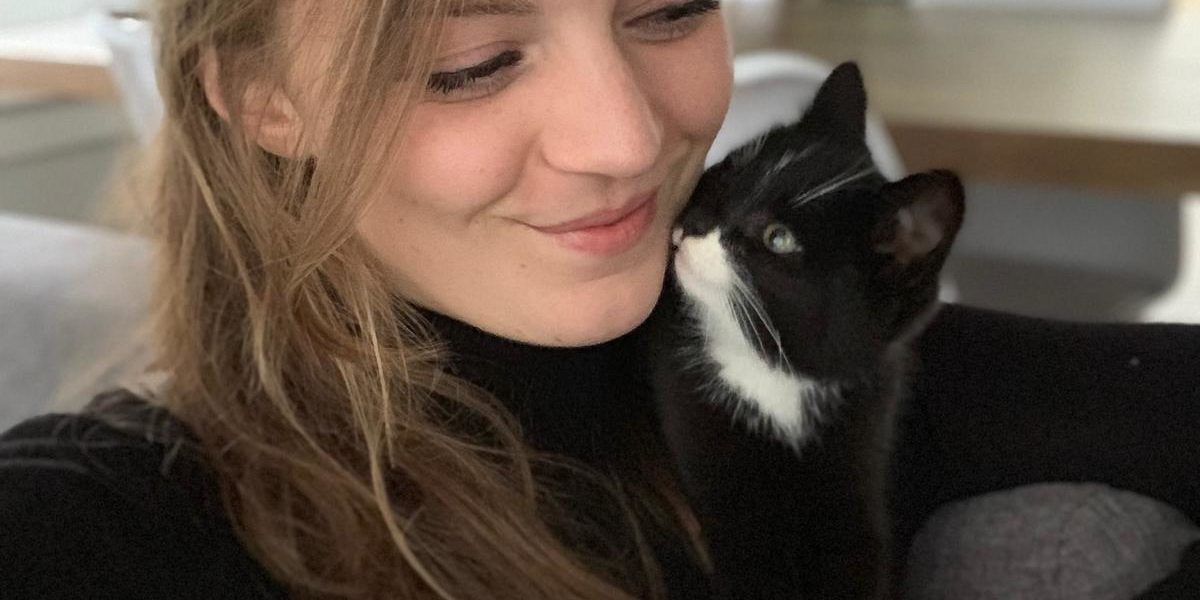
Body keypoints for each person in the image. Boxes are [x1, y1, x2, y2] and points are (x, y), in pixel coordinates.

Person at [0, 1, 1197, 598]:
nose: (626, 140)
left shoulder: (815, 377)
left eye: (670, 7)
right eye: (471, 64)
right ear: (263, 99)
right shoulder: (116, 524)